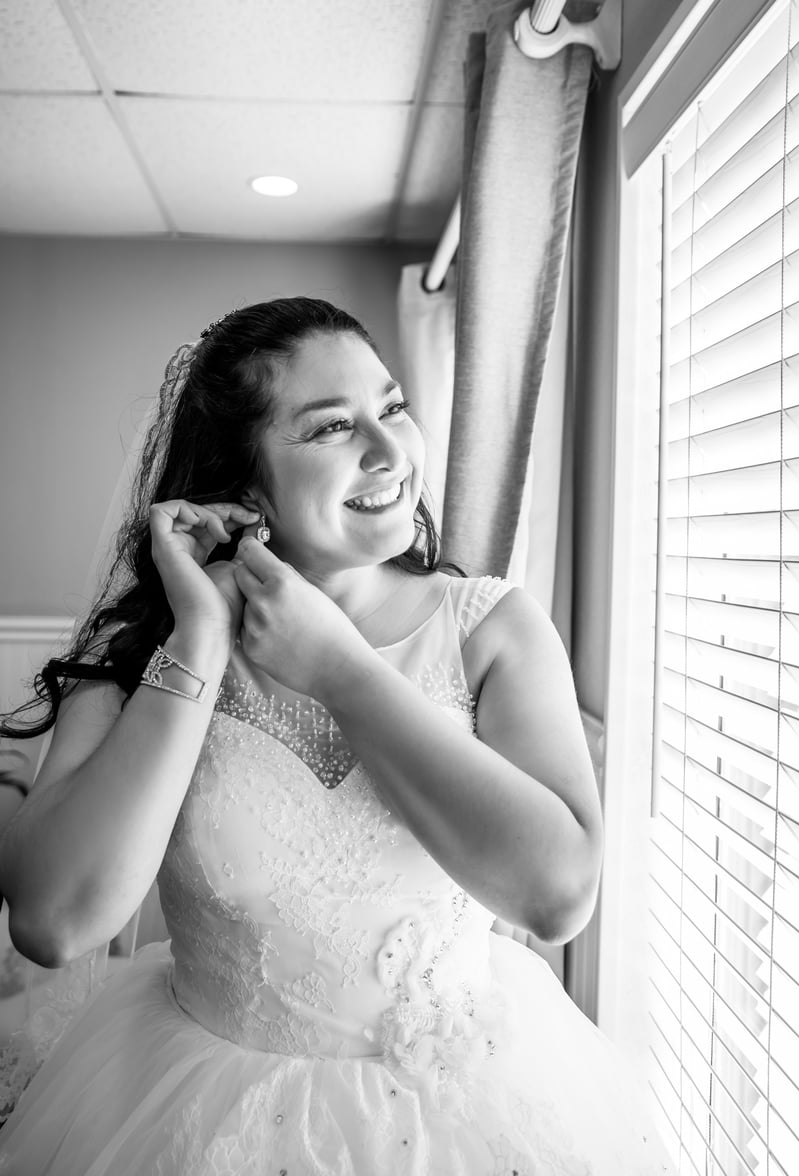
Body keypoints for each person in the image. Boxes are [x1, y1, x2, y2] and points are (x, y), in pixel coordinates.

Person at [0, 298, 673, 1174]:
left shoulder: (493, 631)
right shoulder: (140, 658)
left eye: (393, 407)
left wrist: (340, 669)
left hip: (467, 1117)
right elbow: (54, 923)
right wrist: (198, 637)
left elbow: (558, 895)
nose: (392, 451)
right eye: (332, 427)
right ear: (245, 486)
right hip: (195, 1117)